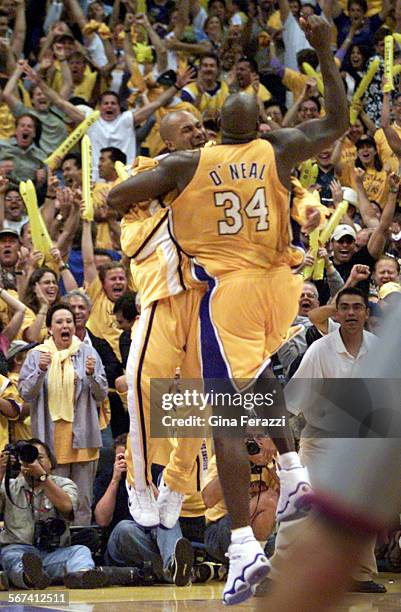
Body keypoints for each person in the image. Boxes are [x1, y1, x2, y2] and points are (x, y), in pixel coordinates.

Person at [108, 14, 348, 605]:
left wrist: (157, 188)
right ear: (260, 124)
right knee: (262, 379)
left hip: (231, 292)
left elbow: (113, 199)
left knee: (221, 417)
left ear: (213, 129)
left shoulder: (188, 165)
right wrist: (323, 51)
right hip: (281, 288)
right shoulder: (280, 148)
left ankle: (241, 547)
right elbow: (339, 121)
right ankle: (294, 476)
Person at [275, 287, 385, 593]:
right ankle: (278, 574)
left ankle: (360, 574)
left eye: (357, 307)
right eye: (345, 307)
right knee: (300, 508)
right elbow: (293, 399)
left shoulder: (379, 350)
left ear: (366, 313)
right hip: (319, 442)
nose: (351, 313)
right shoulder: (319, 350)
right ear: (335, 313)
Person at [18, 303, 108, 525]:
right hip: (50, 444)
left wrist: (90, 376)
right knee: (53, 502)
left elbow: (102, 393)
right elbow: (25, 393)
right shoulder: (37, 355)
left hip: (83, 440)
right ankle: (57, 549)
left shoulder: (88, 353)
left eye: (69, 321)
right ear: (49, 328)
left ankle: (81, 549)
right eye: (59, 322)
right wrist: (39, 371)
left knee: (83, 502)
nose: (65, 325)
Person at [0, 437, 109, 589]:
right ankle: (31, 577)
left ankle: (82, 575)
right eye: (29, 458)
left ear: (51, 462)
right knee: (11, 557)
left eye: (39, 458)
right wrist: (0, 472)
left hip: (54, 553)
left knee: (80, 551)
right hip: (19, 550)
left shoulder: (64, 484)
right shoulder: (9, 487)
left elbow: (66, 507)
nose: (34, 463)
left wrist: (42, 478)